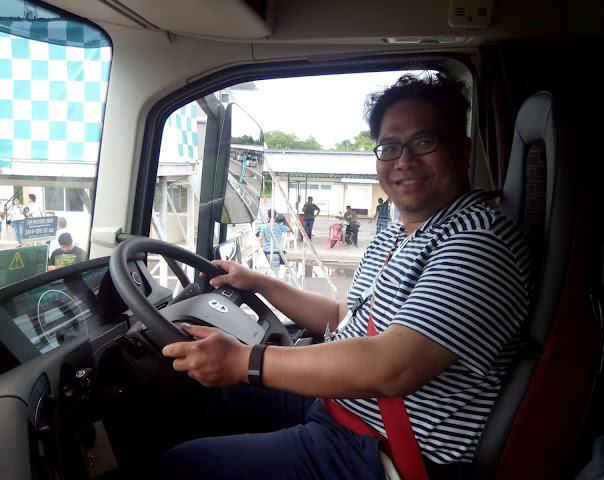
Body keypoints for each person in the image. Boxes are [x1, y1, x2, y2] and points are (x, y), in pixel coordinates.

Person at [158, 71, 535, 480]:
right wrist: (260, 283)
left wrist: (242, 360)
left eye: (424, 142)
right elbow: (343, 315)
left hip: (386, 452)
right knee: (221, 397)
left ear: (462, 150)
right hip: (343, 407)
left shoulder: (480, 240)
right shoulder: (396, 236)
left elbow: (393, 366)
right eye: (389, 147)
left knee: (182, 467)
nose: (404, 161)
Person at [258, 209, 292, 276]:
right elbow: (291, 229)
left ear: (268, 216)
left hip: (267, 252)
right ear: (276, 216)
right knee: (275, 274)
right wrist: (286, 220)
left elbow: (260, 241)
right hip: (277, 253)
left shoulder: (264, 227)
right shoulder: (280, 226)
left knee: (266, 274)